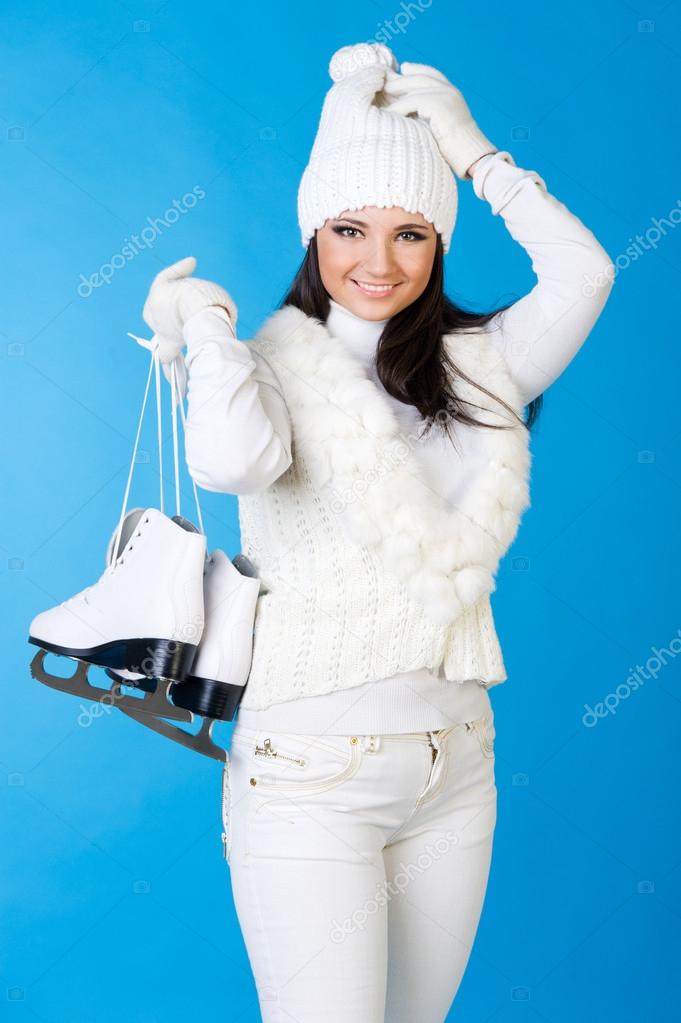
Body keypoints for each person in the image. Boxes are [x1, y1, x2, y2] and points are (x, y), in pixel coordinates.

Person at [142, 41, 614, 1023]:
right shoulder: (262, 367)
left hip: (456, 763)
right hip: (309, 776)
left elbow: (586, 272)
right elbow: (230, 464)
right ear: (313, 233)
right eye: (350, 228)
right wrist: (209, 322)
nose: (378, 261)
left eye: (412, 234)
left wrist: (473, 152)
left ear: (441, 245)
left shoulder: (484, 366)